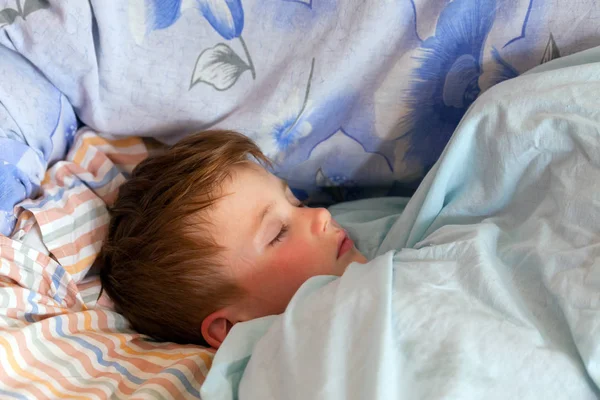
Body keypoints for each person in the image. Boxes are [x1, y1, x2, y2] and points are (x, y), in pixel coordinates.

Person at [100, 130, 367, 348]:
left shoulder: (372, 221)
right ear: (230, 328)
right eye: (278, 233)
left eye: (297, 201)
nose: (320, 214)